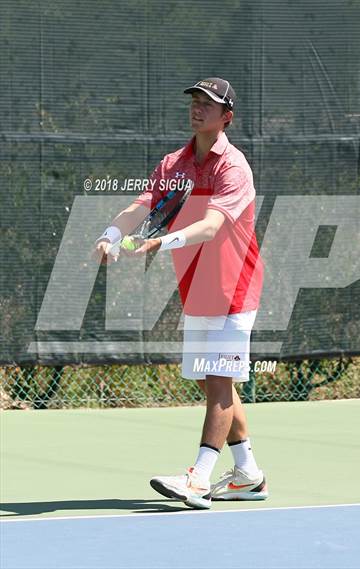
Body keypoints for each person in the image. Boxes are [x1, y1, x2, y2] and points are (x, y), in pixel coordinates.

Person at [93, 77, 268, 510]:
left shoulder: (234, 167)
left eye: (207, 103)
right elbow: (146, 202)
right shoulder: (175, 163)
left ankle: (198, 477)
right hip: (200, 289)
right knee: (216, 381)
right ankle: (248, 473)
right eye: (193, 100)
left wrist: (159, 243)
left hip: (236, 290)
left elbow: (211, 226)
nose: (197, 108)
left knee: (219, 382)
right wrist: (111, 234)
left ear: (226, 116)